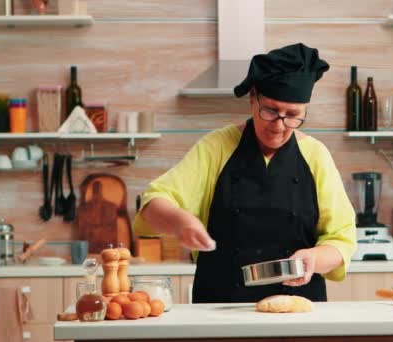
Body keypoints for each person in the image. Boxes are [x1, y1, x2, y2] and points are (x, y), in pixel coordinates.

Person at [134, 43, 356, 303]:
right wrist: (180, 221)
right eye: (271, 111)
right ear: (253, 98)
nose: (279, 125)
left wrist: (314, 259)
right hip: (220, 310)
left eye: (293, 115)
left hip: (298, 309)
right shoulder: (216, 147)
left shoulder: (316, 155)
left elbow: (342, 239)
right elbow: (153, 203)